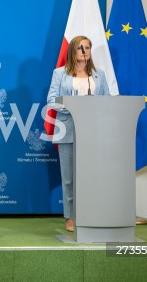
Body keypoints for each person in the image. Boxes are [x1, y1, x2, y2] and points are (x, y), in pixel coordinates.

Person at [46, 35, 110, 232]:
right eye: (81, 48)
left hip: (92, 132)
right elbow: (51, 100)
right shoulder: (60, 73)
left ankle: (90, 212)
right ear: (72, 51)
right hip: (68, 129)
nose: (85, 51)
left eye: (88, 48)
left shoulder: (99, 75)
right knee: (69, 177)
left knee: (91, 175)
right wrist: (73, 109)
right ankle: (70, 216)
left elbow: (107, 100)